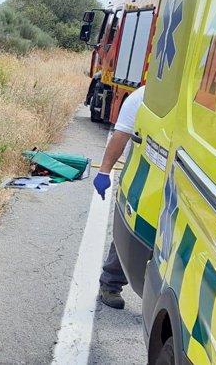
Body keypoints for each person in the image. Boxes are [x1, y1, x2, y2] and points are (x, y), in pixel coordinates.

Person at [93, 85, 145, 309]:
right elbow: (121, 134)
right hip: (141, 174)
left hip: (173, 180)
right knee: (131, 232)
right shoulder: (141, 98)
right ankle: (110, 284)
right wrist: (104, 171)